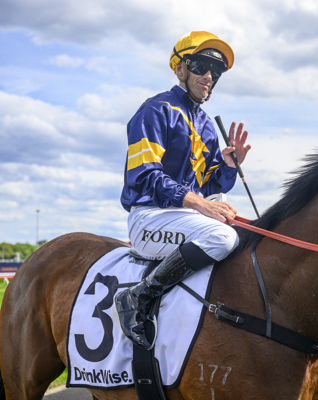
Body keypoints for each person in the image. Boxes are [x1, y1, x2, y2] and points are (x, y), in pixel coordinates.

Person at [114, 31, 251, 350]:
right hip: (150, 219)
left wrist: (228, 166)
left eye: (215, 73)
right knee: (223, 237)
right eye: (202, 67)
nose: (209, 77)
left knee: (246, 237)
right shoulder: (154, 110)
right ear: (180, 69)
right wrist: (202, 205)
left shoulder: (205, 124)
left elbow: (208, 186)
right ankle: (138, 297)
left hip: (184, 220)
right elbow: (146, 175)